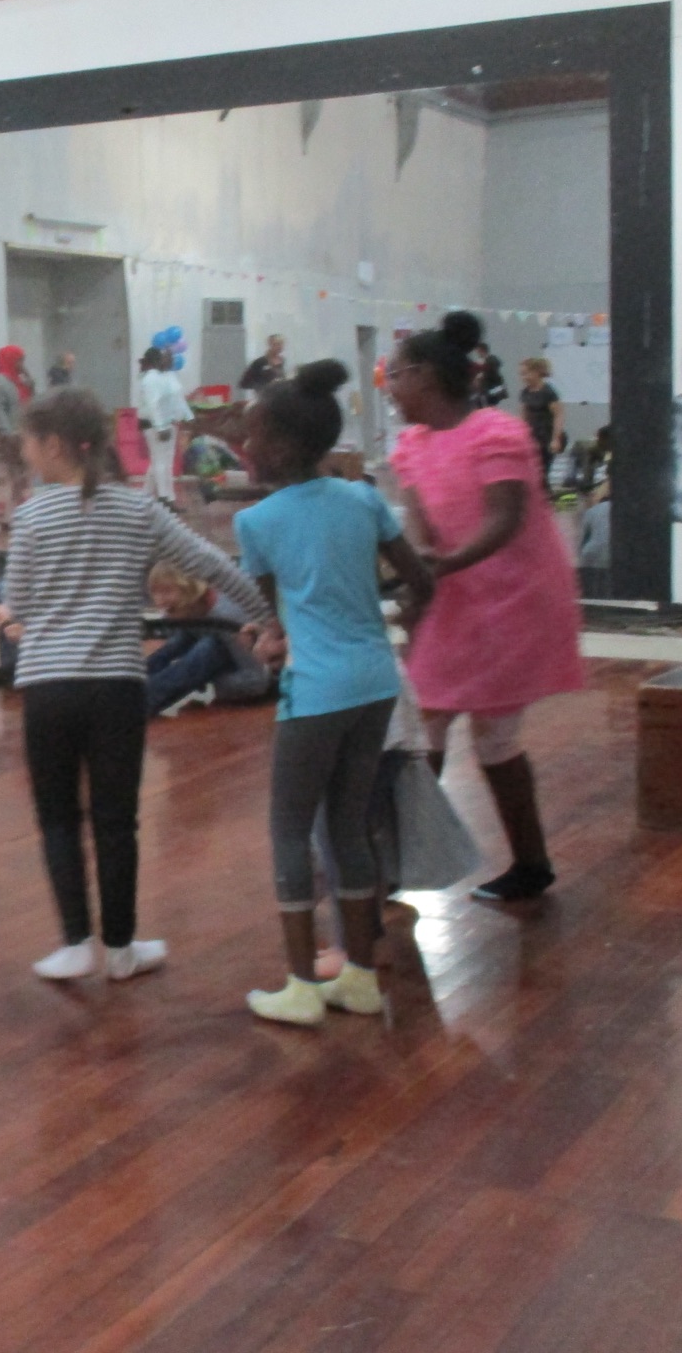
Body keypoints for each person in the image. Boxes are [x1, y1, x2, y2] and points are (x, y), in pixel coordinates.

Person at [4, 387, 275, 982]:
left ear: (53, 445)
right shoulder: (137, 510)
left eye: (28, 440)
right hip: (115, 688)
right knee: (116, 819)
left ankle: (75, 942)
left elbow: (18, 600)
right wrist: (269, 614)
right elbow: (213, 564)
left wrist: (14, 618)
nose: (24, 451)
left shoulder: (29, 517)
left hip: (49, 689)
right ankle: (122, 948)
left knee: (57, 817)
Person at [234, 363, 436, 1026]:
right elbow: (420, 583)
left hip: (314, 692)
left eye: (253, 436)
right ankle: (358, 976)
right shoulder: (362, 499)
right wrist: (398, 620)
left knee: (290, 831)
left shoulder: (258, 522)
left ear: (285, 446)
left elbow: (277, 626)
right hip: (375, 683)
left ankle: (298, 985)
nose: (245, 448)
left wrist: (268, 639)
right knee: (349, 827)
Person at [387, 311, 584, 902]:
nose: (389, 388)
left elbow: (505, 520)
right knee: (426, 721)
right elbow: (421, 531)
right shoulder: (411, 446)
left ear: (423, 376)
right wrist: (417, 587)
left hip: (511, 599)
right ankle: (407, 862)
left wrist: (441, 566)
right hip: (455, 599)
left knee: (490, 736)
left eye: (393, 376)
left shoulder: (497, 433)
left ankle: (528, 863)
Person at [142, 562, 272, 718]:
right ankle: (130, 687)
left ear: (190, 589)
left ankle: (141, 701)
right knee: (177, 643)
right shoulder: (191, 608)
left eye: (166, 591)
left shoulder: (227, 620)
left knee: (209, 647)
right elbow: (170, 650)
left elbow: (257, 681)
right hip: (226, 662)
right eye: (155, 593)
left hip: (259, 679)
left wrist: (209, 684)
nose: (159, 601)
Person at [0, 346, 35, 526]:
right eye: (19, 360)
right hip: (5, 436)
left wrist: (28, 379)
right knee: (5, 474)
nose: (22, 364)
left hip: (21, 433)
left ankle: (22, 513)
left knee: (22, 475)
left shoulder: (19, 382)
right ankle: (6, 517)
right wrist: (8, 434)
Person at [137, 346, 192, 507]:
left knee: (161, 462)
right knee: (161, 462)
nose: (170, 360)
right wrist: (161, 427)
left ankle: (145, 496)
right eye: (166, 357)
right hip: (155, 425)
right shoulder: (151, 378)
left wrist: (188, 417)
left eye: (171, 357)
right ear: (157, 360)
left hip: (168, 423)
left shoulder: (168, 376)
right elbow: (154, 405)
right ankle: (164, 498)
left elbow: (178, 399)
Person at [517, 356, 566, 483]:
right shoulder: (525, 392)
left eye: (526, 374)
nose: (524, 378)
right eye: (522, 375)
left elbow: (558, 415)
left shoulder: (548, 392)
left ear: (536, 372)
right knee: (531, 472)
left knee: (542, 473)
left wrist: (556, 439)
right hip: (532, 436)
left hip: (546, 437)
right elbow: (524, 415)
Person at [471, 342, 509, 408]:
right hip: (484, 392)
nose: (477, 353)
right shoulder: (481, 362)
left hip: (491, 390)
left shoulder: (491, 361)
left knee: (489, 405)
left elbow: (490, 373)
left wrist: (481, 376)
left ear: (481, 350)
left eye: (478, 351)